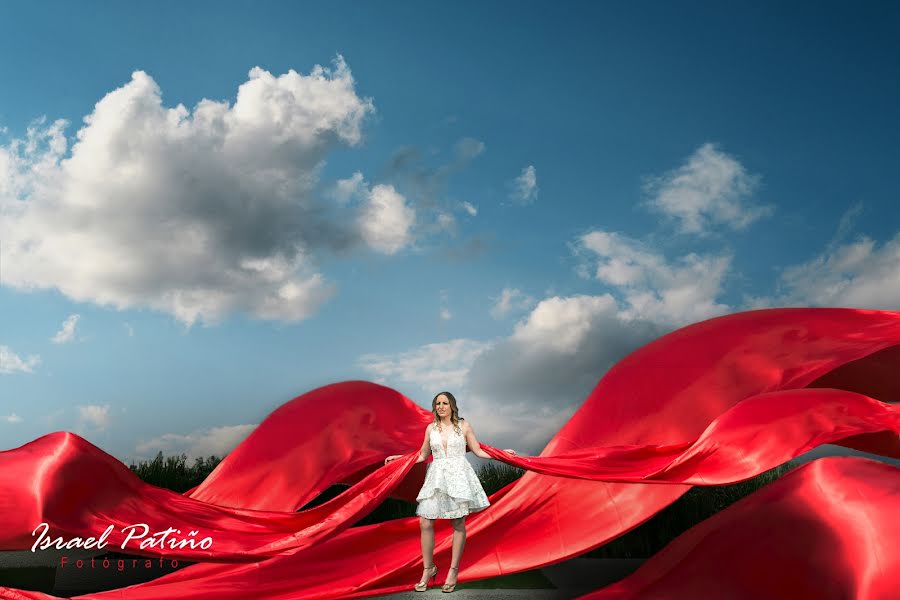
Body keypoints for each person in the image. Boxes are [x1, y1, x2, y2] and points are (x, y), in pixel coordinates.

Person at [385, 391, 518, 593]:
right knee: (425, 521)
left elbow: (478, 451)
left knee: (457, 522)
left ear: (452, 406)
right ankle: (428, 569)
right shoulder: (431, 428)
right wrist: (400, 459)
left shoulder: (463, 426)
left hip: (458, 477)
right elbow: (422, 455)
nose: (440, 406)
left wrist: (502, 455)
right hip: (437, 476)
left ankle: (453, 571)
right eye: (437, 403)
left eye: (444, 403)